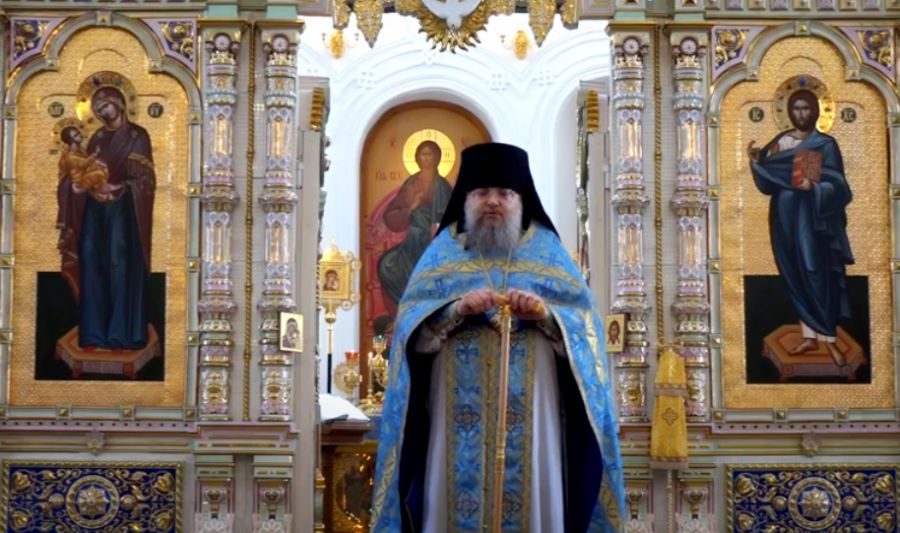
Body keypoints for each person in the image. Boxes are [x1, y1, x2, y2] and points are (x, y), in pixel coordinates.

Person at [371, 143, 625, 532]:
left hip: (535, 409)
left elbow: (586, 332)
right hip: (452, 411)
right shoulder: (442, 253)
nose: (493, 201)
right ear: (467, 199)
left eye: (504, 193)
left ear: (520, 199)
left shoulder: (547, 251)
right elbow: (409, 333)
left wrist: (545, 315)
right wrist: (455, 310)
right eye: (482, 193)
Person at [748, 88, 854, 367]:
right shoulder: (781, 141)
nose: (801, 114)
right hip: (784, 216)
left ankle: (829, 338)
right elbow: (768, 182)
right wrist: (756, 162)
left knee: (814, 270)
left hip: (813, 219)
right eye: (796, 109)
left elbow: (840, 187)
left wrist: (815, 187)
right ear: (788, 112)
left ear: (816, 112)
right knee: (793, 271)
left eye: (806, 108)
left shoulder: (825, 144)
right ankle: (809, 336)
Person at [56, 86, 156, 350]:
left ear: (120, 104)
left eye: (106, 106)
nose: (103, 112)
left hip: (124, 211)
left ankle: (121, 334)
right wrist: (81, 188)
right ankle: (93, 333)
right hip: (95, 210)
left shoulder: (137, 135)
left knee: (119, 263)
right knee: (92, 262)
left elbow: (146, 180)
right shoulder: (97, 137)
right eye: (98, 109)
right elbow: (81, 172)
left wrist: (119, 188)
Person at [376, 140, 454, 322]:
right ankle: (404, 314)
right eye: (422, 154)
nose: (426, 158)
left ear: (437, 158)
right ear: (417, 158)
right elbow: (391, 216)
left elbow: (452, 217)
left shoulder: (443, 186)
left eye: (430, 154)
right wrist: (411, 207)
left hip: (435, 243)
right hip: (413, 241)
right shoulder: (411, 184)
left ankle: (433, 317)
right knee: (387, 265)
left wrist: (438, 226)